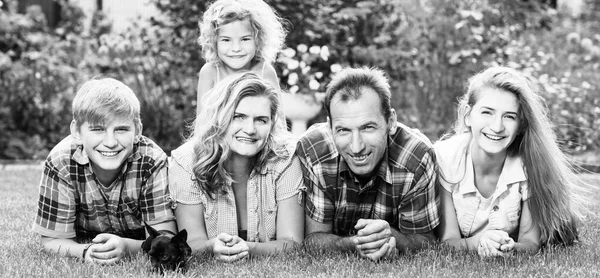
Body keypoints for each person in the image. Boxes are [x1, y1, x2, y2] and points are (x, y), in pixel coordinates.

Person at [435, 66, 587, 258]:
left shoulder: (529, 164)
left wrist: (510, 248)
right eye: (487, 113)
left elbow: (530, 242)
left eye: (509, 116)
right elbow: (447, 241)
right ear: (468, 115)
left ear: (521, 124)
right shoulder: (445, 158)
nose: (497, 126)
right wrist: (480, 242)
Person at [297, 67, 440, 261]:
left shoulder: (417, 157)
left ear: (390, 121)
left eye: (368, 127)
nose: (356, 147)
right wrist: (356, 243)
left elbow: (427, 241)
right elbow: (313, 239)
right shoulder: (314, 151)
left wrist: (393, 237)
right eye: (343, 130)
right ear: (330, 127)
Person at [32, 77, 176, 264]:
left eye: (121, 129)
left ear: (137, 130)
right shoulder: (61, 163)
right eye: (98, 129)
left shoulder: (151, 161)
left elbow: (166, 238)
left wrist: (126, 246)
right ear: (77, 131)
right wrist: (86, 251)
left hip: (135, 237)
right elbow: (51, 240)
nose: (110, 142)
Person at [169, 72, 303, 262]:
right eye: (238, 117)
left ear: (272, 124)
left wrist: (250, 248)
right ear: (219, 118)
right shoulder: (186, 162)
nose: (250, 129)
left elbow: (292, 243)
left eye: (261, 120)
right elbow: (191, 242)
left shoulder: (285, 159)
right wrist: (210, 247)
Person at [196, 0, 286, 114]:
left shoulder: (265, 71)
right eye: (226, 40)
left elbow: (279, 122)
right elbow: (201, 123)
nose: (236, 48)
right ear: (214, 41)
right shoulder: (211, 72)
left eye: (245, 39)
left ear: (258, 40)